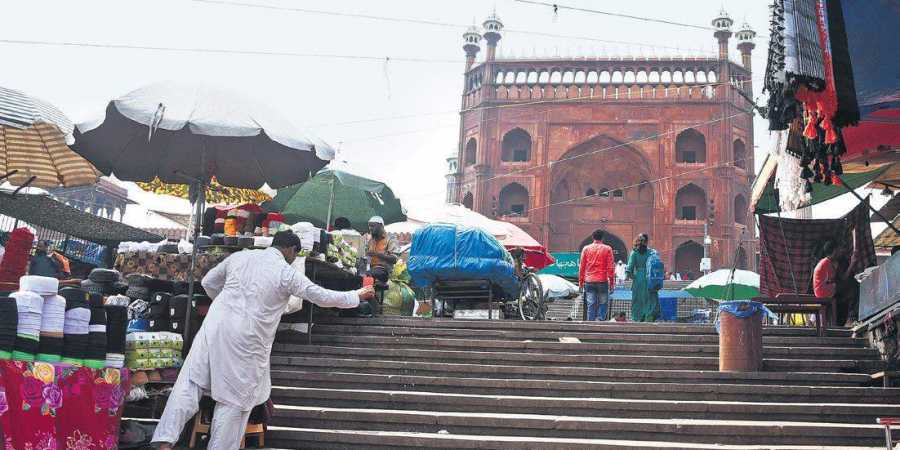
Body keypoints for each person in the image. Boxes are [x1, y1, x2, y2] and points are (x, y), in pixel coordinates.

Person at [151, 231, 375, 450]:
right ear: (290, 250)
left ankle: (164, 441)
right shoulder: (285, 273)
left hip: (214, 325)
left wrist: (227, 303)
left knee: (191, 382)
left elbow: (209, 281)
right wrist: (356, 295)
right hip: (247, 339)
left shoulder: (240, 256)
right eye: (294, 255)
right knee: (234, 402)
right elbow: (321, 296)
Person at [578, 229, 615, 321]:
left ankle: (590, 321)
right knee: (603, 302)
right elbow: (610, 268)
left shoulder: (586, 249)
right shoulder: (607, 249)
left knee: (591, 303)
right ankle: (599, 319)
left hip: (589, 281)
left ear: (592, 237)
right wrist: (612, 284)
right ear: (603, 238)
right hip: (602, 280)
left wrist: (580, 283)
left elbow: (582, 267)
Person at [626, 233, 659, 322]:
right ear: (647, 242)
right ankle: (649, 317)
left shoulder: (634, 253)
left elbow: (629, 270)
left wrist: (635, 278)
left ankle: (637, 318)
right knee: (650, 299)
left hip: (638, 279)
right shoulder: (652, 252)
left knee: (638, 301)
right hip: (651, 279)